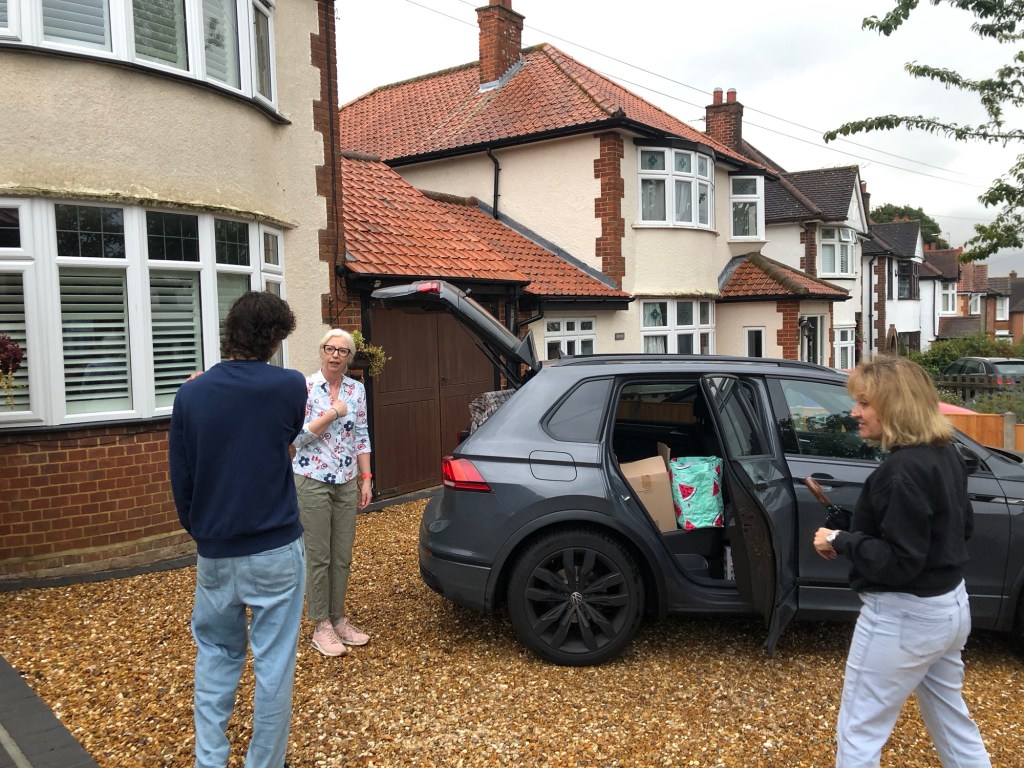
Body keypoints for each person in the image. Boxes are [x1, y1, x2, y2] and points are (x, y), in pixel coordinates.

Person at [813, 356, 991, 768]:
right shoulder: (945, 454)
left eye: (865, 403)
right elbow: (955, 529)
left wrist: (840, 540)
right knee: (952, 720)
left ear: (895, 406)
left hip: (904, 618)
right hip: (950, 608)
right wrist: (853, 528)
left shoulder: (900, 472)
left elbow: (899, 562)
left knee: (859, 731)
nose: (854, 412)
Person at [169, 291, 307, 768]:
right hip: (275, 547)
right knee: (273, 664)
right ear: (274, 338)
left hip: (215, 549)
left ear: (231, 331)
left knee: (215, 654)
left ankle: (209, 760)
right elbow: (285, 437)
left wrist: (202, 531)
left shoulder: (190, 394)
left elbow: (182, 476)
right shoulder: (289, 385)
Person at [292, 328, 373, 657]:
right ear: (321, 351)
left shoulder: (356, 390)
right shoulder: (306, 387)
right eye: (330, 349)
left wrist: (366, 478)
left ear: (349, 357)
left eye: (342, 351)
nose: (335, 355)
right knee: (318, 556)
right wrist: (332, 414)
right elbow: (297, 438)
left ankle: (338, 618)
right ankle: (320, 624)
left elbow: (362, 435)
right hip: (312, 479)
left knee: (341, 555)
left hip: (346, 480)